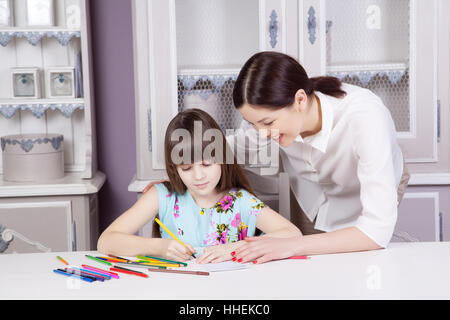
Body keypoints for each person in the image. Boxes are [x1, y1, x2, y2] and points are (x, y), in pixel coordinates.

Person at [227, 51, 410, 264]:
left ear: (300, 100)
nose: (261, 134)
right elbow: (225, 149)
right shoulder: (267, 120)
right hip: (311, 192)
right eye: (252, 124)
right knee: (313, 270)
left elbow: (375, 231)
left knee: (365, 262)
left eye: (267, 123)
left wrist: (291, 244)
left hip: (360, 189)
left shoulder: (365, 117)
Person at [97, 108, 300, 263]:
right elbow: (106, 241)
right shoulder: (162, 196)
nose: (198, 176)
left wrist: (234, 249)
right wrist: (159, 247)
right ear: (174, 168)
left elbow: (292, 234)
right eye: (186, 168)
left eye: (206, 164)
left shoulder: (240, 201)